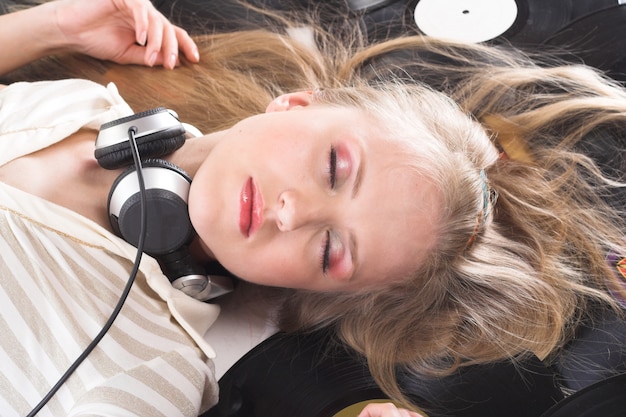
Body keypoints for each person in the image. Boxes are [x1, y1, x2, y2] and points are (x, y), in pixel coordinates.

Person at [1, 0, 624, 416]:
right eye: (333, 168)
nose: (292, 213)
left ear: (309, 289)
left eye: (331, 249)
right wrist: (48, 27)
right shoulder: (84, 104)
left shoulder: (145, 374)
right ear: (300, 104)